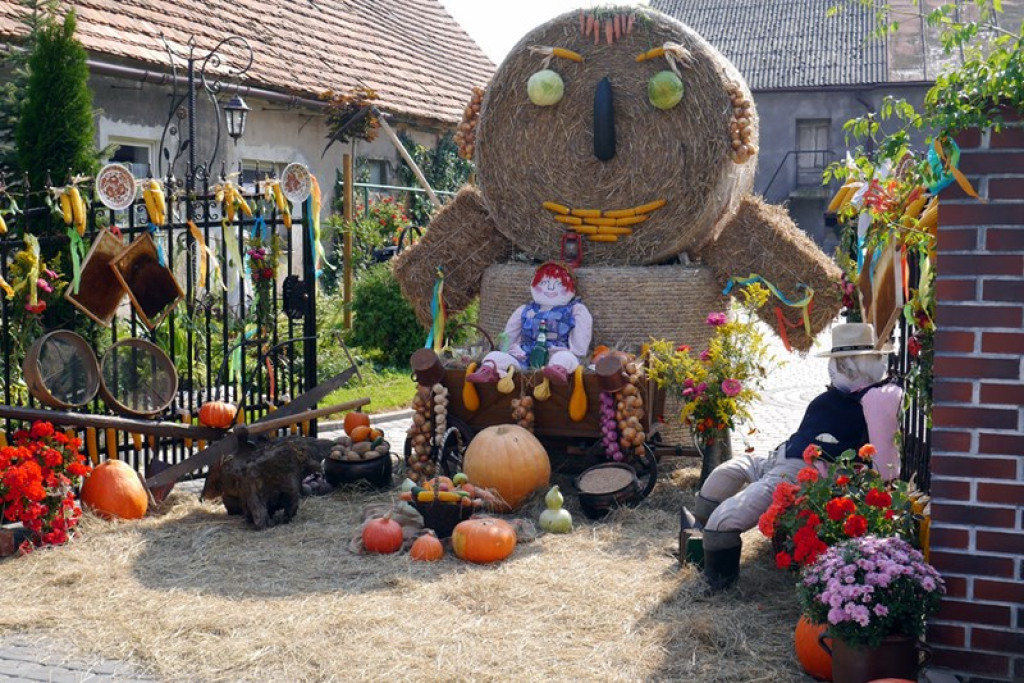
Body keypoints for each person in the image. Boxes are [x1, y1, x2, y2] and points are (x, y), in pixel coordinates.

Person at [681, 322, 904, 591]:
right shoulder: (839, 393)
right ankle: (697, 538)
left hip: (800, 470)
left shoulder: (875, 398)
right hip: (780, 457)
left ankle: (717, 582)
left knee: (725, 519)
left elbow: (886, 466)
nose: (834, 369)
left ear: (856, 365)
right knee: (724, 473)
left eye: (840, 363)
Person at [466, 261, 592, 385]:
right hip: (524, 357)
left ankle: (557, 371)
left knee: (565, 358)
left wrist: (575, 352)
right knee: (494, 356)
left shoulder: (575, 310)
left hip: (555, 353)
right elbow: (508, 336)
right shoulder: (525, 310)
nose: (550, 288)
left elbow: (580, 341)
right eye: (544, 282)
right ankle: (488, 370)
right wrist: (507, 348)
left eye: (559, 284)